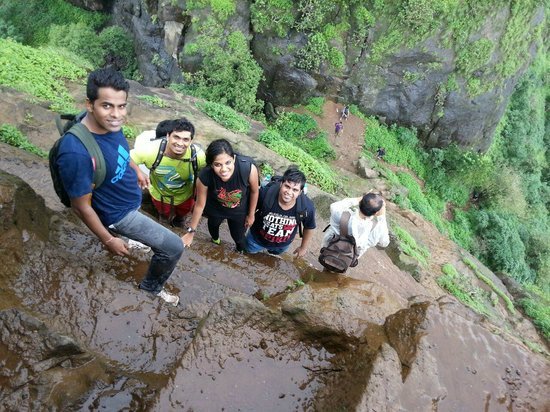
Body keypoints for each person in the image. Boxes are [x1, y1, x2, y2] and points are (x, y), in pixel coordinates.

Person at [55, 68, 183, 306]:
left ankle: (129, 239)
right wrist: (107, 240)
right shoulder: (76, 152)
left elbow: (120, 150)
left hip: (127, 200)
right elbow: (81, 206)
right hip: (117, 214)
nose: (116, 114)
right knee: (173, 247)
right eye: (107, 106)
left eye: (121, 106)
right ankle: (150, 289)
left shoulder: (110, 125)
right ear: (90, 104)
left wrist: (134, 169)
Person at [182, 139, 259, 252]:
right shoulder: (205, 176)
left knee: (238, 237)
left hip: (239, 211)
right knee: (213, 227)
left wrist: (251, 214)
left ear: (234, 158)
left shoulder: (247, 169)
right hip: (215, 209)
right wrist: (191, 232)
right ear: (211, 165)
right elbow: (199, 205)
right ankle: (215, 241)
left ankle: (240, 251)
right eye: (218, 165)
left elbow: (254, 191)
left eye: (228, 163)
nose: (224, 169)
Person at [131, 118, 206, 227]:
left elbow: (208, 174)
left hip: (185, 196)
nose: (180, 143)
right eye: (176, 137)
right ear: (168, 136)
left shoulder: (198, 156)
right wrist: (138, 172)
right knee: (163, 215)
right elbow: (125, 157)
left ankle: (179, 221)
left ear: (191, 141)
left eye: (185, 139)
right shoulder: (152, 150)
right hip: (160, 195)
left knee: (182, 214)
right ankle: (164, 222)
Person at [245, 167, 316, 257]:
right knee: (247, 256)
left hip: (282, 245)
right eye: (287, 186)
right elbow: (249, 207)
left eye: (295, 190)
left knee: (272, 259)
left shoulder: (306, 207)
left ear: (300, 192)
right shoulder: (265, 194)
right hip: (256, 239)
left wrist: (303, 247)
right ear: (281, 184)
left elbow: (309, 227)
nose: (289, 192)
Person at [322, 193, 389, 260]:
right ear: (376, 213)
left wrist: (358, 199)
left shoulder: (341, 215)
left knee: (327, 255)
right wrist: (382, 216)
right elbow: (384, 242)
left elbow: (334, 206)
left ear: (360, 202)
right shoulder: (374, 228)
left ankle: (325, 259)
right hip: (349, 257)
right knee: (341, 264)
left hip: (329, 245)